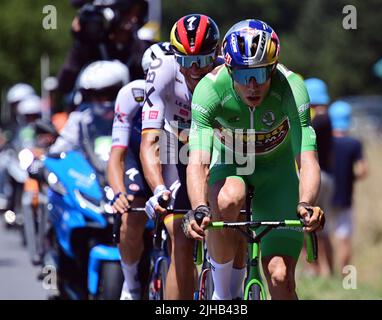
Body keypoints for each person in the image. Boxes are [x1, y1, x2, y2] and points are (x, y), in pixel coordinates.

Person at [183, 19, 325, 300]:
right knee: (228, 199)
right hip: (232, 167)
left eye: (261, 74)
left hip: (278, 176)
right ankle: (223, 296)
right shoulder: (210, 89)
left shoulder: (291, 88)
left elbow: (307, 157)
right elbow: (198, 160)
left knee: (280, 278)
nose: (252, 85)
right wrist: (199, 207)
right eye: (243, 75)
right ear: (228, 68)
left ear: (273, 68)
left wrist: (307, 204)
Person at [139, 14, 221, 299]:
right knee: (181, 240)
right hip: (175, 145)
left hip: (217, 147)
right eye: (186, 60)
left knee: (232, 230)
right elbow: (149, 140)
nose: (195, 68)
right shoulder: (162, 70)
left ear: (218, 53)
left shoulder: (227, 72)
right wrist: (159, 189)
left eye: (202, 58)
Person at [107, 42, 172, 300]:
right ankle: (132, 283)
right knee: (131, 215)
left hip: (173, 154)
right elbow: (116, 156)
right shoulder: (129, 95)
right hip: (139, 153)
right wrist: (117, 192)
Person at [57, 0, 150, 107]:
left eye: (135, 14)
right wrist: (81, 41)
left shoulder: (141, 50)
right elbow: (64, 83)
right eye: (127, 13)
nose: (132, 19)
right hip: (93, 118)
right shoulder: (90, 46)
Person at [49, 60, 129, 157]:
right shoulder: (81, 119)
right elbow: (61, 147)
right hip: (88, 171)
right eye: (91, 94)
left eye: (105, 93)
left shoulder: (134, 117)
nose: (97, 100)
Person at [328, 100, 368, 273]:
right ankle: (346, 278)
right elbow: (362, 170)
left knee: (323, 237)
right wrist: (350, 177)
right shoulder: (354, 144)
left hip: (326, 197)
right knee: (344, 240)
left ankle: (327, 274)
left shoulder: (325, 142)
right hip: (345, 198)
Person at [304, 78, 334, 276]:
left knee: (307, 221)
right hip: (328, 176)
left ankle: (314, 269)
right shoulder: (328, 119)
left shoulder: (319, 120)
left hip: (317, 176)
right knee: (324, 227)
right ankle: (329, 270)